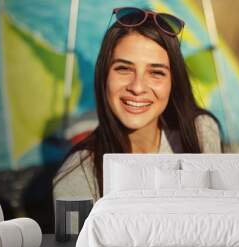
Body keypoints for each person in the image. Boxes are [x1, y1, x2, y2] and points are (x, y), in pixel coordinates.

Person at [53, 7, 223, 205]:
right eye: (123, 69)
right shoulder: (75, 177)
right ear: (104, 75)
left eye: (156, 72)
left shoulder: (201, 132)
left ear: (173, 82)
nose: (137, 87)